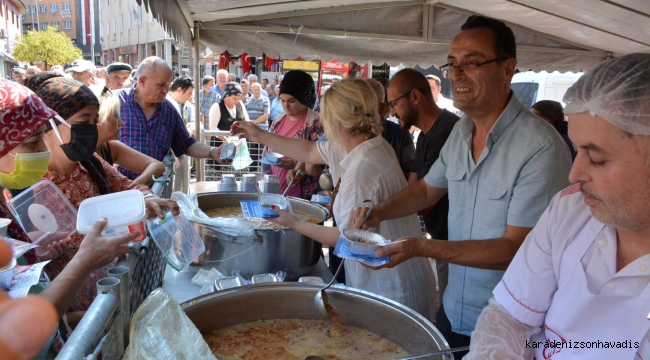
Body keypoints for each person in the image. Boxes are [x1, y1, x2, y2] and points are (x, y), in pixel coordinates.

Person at [349, 15, 573, 358]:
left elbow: (515, 249)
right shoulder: (461, 131)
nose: (456, 74)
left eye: (472, 63)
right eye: (452, 64)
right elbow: (427, 190)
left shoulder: (540, 146)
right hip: (454, 306)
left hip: (510, 325)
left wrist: (421, 247)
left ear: (507, 68)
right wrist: (377, 213)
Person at [467, 53, 650, 359]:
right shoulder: (572, 210)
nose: (574, 175)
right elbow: (511, 316)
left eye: (597, 158)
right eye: (577, 150)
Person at [232, 79, 436, 321]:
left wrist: (293, 222)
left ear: (337, 120)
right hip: (397, 279)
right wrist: (260, 135)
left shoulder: (362, 170)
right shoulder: (364, 143)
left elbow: (346, 238)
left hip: (393, 289)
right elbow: (308, 151)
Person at [0, 79, 140, 359]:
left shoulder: (5, 207)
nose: (43, 148)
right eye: (32, 141)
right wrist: (83, 260)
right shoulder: (18, 192)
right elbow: (14, 335)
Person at [23, 72, 179, 313]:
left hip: (111, 292)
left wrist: (147, 197)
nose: (92, 129)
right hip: (70, 316)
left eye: (95, 120)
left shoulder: (89, 162)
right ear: (50, 124)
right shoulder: (28, 184)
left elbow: (127, 186)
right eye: (83, 121)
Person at [387, 69, 459, 307]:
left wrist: (383, 211)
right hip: (442, 238)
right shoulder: (426, 134)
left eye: (394, 103)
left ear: (415, 97)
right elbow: (414, 185)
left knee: (451, 315)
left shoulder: (448, 131)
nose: (393, 111)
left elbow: (426, 198)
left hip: (456, 244)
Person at [114, 56, 229, 180]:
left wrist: (213, 151)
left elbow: (186, 144)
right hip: (116, 189)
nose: (166, 90)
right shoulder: (115, 102)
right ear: (142, 81)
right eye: (161, 85)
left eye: (168, 84)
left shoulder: (168, 110)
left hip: (155, 191)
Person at [262, 70, 323, 199]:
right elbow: (266, 151)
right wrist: (268, 182)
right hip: (275, 193)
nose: (286, 106)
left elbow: (320, 161)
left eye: (291, 101)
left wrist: (296, 165)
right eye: (282, 101)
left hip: (303, 197)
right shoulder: (278, 120)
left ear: (303, 99)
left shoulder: (316, 124)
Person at [96, 94, 165, 186]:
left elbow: (158, 166)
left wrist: (132, 187)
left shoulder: (110, 147)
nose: (121, 122)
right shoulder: (76, 154)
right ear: (98, 118)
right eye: (115, 115)